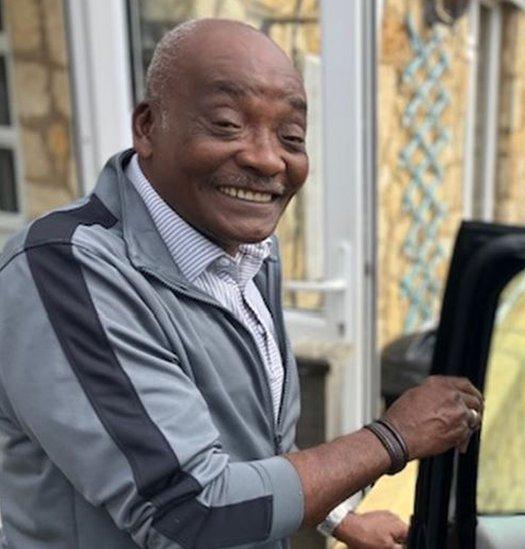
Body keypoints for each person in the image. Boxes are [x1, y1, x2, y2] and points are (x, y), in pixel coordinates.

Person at [0, 19, 482, 549]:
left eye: (291, 136)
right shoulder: (63, 272)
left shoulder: (247, 251)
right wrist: (392, 438)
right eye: (227, 125)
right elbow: (190, 510)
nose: (266, 158)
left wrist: (340, 518)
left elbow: (249, 444)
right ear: (148, 127)